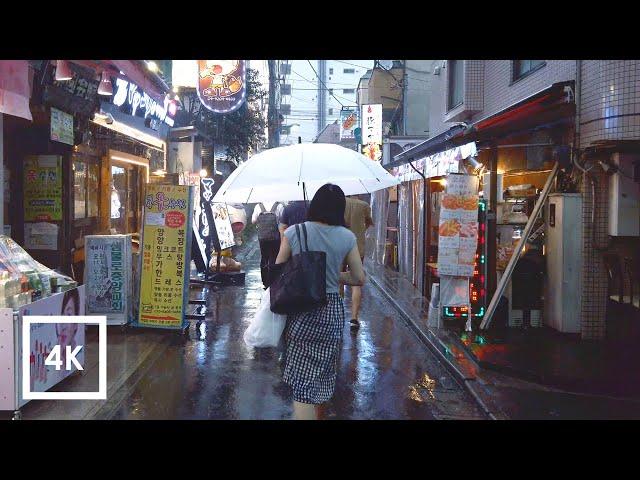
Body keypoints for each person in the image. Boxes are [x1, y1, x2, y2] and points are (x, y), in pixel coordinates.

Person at [275, 184, 365, 420]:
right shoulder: (347, 236)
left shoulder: (294, 232)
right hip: (332, 313)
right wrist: (335, 275)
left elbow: (279, 269)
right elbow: (359, 278)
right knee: (325, 375)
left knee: (303, 384)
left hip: (301, 310)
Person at [341, 195, 373, 330]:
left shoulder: (338, 204)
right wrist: (360, 231)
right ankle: (354, 318)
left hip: (339, 246)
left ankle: (339, 313)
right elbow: (369, 223)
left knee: (339, 279)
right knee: (356, 282)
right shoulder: (364, 205)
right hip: (357, 247)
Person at [252, 201, 284, 287]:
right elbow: (282, 221)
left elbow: (253, 221)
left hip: (262, 237)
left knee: (264, 257)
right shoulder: (279, 205)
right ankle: (274, 280)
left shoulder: (258, 206)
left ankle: (265, 282)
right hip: (275, 237)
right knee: (274, 257)